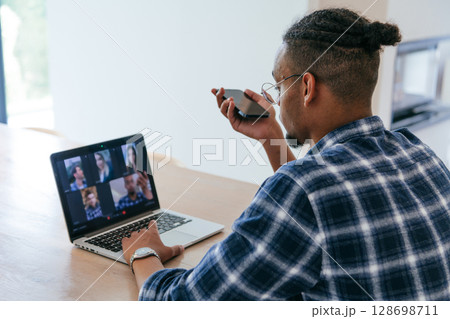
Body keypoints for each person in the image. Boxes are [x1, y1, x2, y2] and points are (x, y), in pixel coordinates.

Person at [121, 8, 450, 300]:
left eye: (279, 85)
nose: (277, 99)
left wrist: (144, 253)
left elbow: (184, 303)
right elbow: (321, 200)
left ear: (307, 88)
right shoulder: (420, 155)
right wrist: (271, 136)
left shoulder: (300, 190)